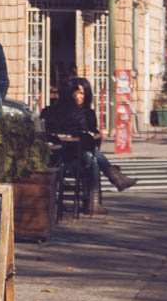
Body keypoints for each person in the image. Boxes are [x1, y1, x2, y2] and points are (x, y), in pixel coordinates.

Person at [43, 77, 137, 209]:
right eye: (77, 92)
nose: (80, 96)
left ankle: (112, 181)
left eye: (82, 93)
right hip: (69, 160)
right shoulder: (78, 114)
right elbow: (89, 140)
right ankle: (102, 193)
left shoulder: (48, 111)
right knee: (91, 158)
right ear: (70, 93)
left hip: (54, 159)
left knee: (90, 156)